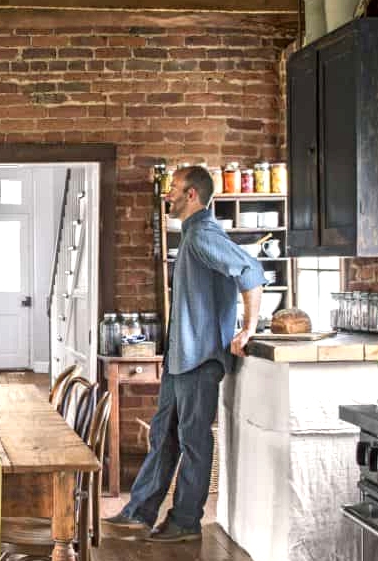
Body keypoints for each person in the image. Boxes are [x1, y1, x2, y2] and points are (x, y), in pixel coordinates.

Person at [105, 165, 265, 542]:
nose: (168, 195)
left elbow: (251, 270)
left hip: (199, 360)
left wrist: (250, 327)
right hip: (181, 359)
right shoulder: (193, 234)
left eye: (174, 189)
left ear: (192, 195)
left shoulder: (202, 235)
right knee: (164, 437)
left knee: (193, 442)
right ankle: (139, 512)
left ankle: (185, 521)